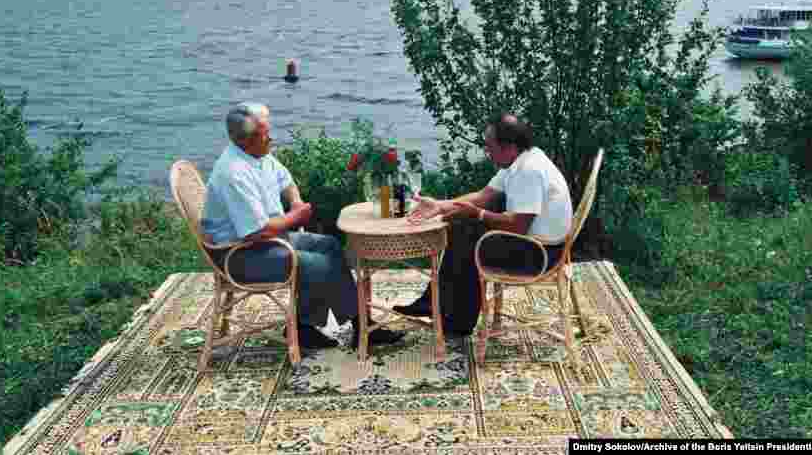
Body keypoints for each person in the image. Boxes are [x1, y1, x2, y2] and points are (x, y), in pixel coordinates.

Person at [201, 102, 404, 350]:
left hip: (267, 241)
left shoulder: (258, 155)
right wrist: (296, 217)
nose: (272, 139)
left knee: (329, 245)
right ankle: (329, 326)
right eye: (266, 135)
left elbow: (286, 181)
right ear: (245, 140)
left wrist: (296, 203)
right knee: (317, 264)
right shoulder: (233, 173)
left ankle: (333, 325)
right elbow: (258, 231)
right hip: (240, 255)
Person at [394, 113, 573, 335]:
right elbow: (483, 196)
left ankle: (450, 315)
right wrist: (440, 206)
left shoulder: (529, 171)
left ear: (508, 146)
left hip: (540, 254)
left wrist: (478, 215)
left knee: (466, 235)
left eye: (490, 147)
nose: (487, 152)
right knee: (463, 227)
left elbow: (517, 226)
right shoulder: (521, 160)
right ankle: (441, 306)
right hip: (537, 244)